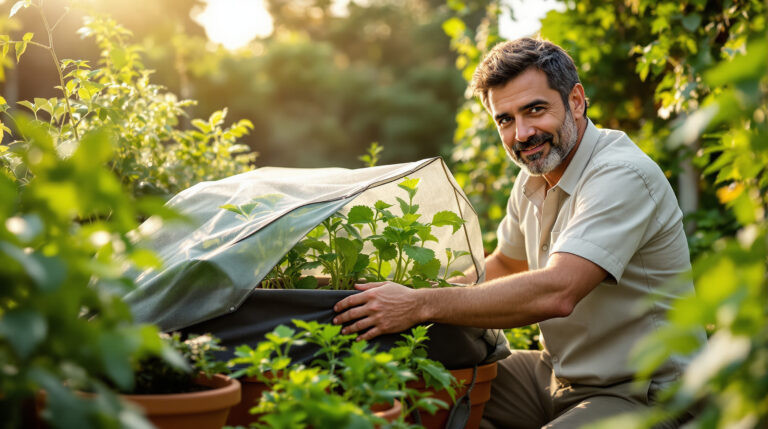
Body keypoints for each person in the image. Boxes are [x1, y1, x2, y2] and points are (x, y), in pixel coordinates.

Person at [333, 37, 705, 428]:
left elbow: (559, 290)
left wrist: (420, 304)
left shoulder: (620, 174)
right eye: (505, 120)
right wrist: (408, 297)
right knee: (426, 386)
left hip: (644, 392)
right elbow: (506, 264)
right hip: (556, 376)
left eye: (535, 110)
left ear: (575, 101)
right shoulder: (535, 176)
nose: (522, 133)